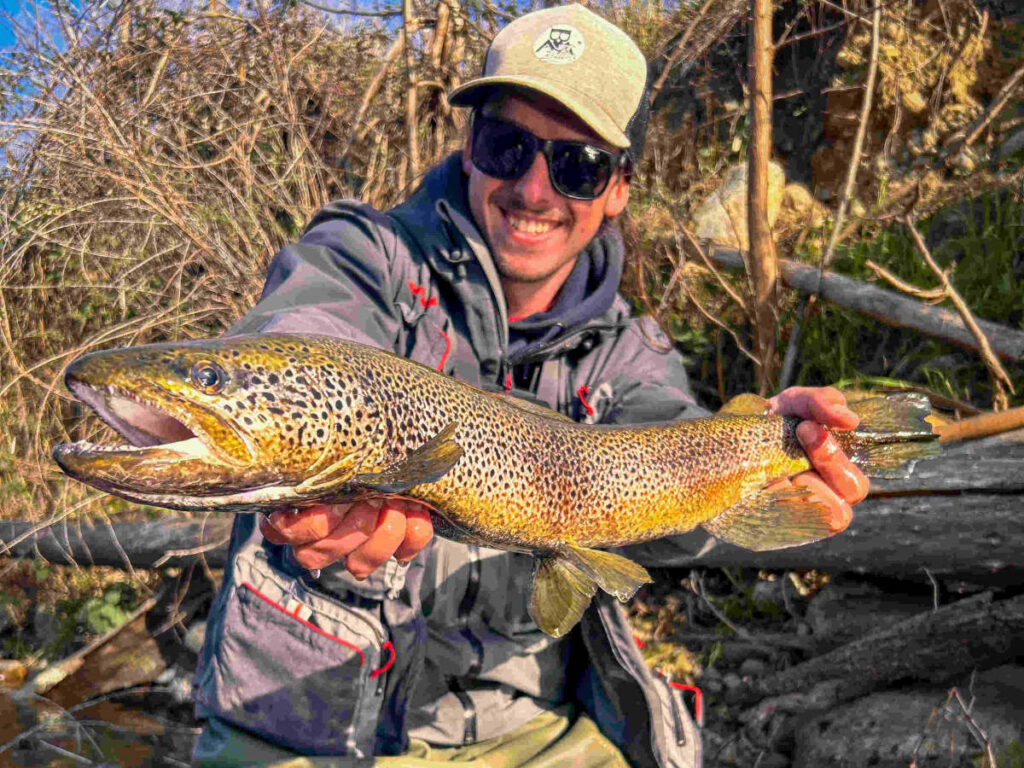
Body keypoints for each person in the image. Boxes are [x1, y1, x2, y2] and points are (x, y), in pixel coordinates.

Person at [191, 5, 868, 767]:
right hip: (301, 729)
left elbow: (668, 450)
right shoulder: (365, 258)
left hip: (534, 734)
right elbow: (307, 337)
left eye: (577, 164)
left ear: (618, 188)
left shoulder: (630, 353)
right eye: (507, 145)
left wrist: (765, 448)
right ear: (470, 145)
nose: (535, 190)